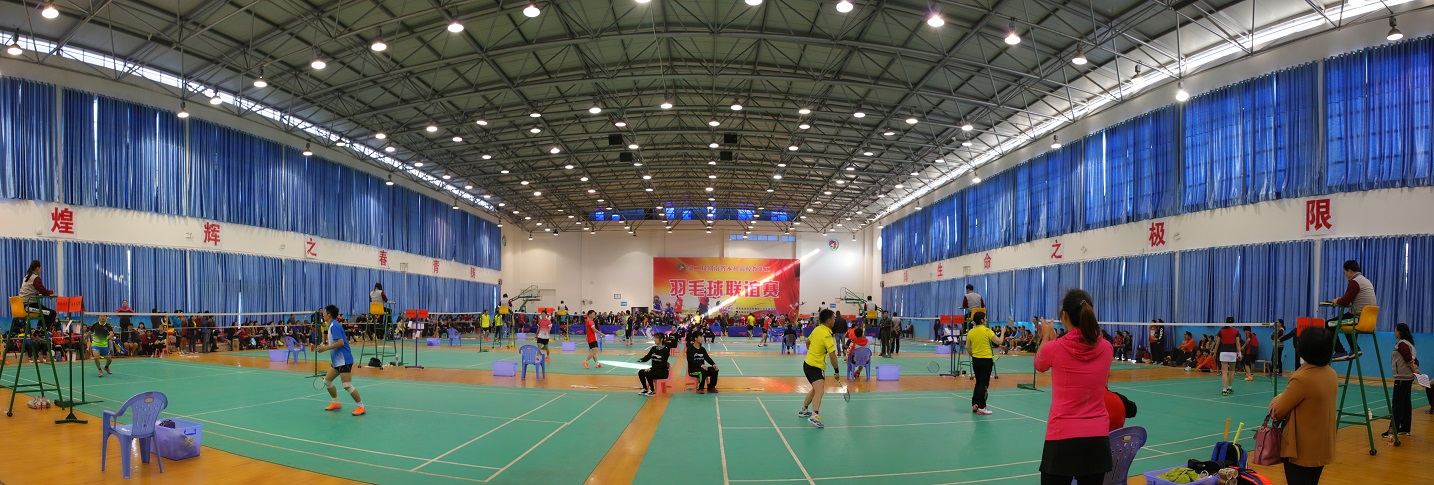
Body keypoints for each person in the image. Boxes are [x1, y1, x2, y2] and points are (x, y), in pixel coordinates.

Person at [1034, 289, 1113, 485]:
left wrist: (1046, 336)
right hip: (1097, 438)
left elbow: (1039, 364)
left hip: (1062, 437)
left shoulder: (1054, 348)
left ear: (1064, 316)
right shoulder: (1107, 348)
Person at [1269, 326, 1336, 485]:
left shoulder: (1302, 378)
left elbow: (1277, 411)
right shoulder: (1331, 373)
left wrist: (1278, 398)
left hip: (1301, 451)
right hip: (1321, 446)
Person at [314, 304, 365, 416]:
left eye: (325, 313)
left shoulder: (334, 326)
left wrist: (325, 348)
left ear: (328, 315)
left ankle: (361, 406)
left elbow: (340, 342)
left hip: (344, 359)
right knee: (327, 381)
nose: (323, 314)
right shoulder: (331, 325)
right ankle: (336, 402)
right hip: (337, 361)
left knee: (347, 385)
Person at [798, 309, 841, 428]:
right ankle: (815, 416)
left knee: (815, 389)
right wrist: (836, 371)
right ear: (829, 321)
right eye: (833, 319)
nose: (834, 321)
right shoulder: (827, 335)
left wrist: (812, 352)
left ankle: (803, 410)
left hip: (807, 364)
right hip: (816, 367)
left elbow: (807, 342)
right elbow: (832, 355)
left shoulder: (817, 329)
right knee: (820, 391)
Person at [1324, 260, 1375, 361]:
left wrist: (1337, 300)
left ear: (1350, 271)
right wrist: (1342, 299)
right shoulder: (1366, 281)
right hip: (1368, 320)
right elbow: (1350, 299)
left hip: (1357, 318)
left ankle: (1340, 351)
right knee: (1345, 321)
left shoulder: (1355, 282)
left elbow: (1344, 302)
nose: (1345, 275)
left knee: (1327, 324)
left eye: (1345, 272)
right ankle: (1355, 348)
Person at [967, 312, 1005, 415]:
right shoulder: (987, 331)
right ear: (982, 320)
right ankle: (982, 408)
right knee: (984, 384)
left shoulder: (971, 331)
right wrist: (1003, 332)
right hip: (986, 361)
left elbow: (967, 347)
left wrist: (972, 355)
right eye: (985, 318)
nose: (986, 319)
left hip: (976, 360)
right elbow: (999, 342)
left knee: (978, 382)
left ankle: (975, 404)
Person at [1385, 323, 1418, 438]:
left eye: (1395, 330)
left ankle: (1392, 431)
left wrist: (1414, 369)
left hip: (1402, 378)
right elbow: (1415, 360)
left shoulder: (1402, 343)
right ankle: (1404, 428)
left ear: (1399, 332)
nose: (1394, 332)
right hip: (1408, 377)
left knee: (1397, 405)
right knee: (1405, 403)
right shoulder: (1409, 344)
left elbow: (1408, 358)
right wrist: (1415, 369)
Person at [18, 260, 58, 328]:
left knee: (45, 313)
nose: (41, 270)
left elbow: (32, 290)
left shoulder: (26, 277)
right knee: (52, 313)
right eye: (40, 268)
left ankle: (38, 331)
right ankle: (40, 332)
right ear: (37, 268)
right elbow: (42, 290)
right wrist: (51, 293)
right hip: (30, 305)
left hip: (22, 305)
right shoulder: (35, 278)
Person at [1216, 318, 1243, 396]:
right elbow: (1238, 343)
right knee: (1231, 371)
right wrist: (1239, 354)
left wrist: (1214, 352)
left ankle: (1224, 390)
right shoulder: (1236, 331)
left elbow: (1217, 343)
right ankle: (1229, 388)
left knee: (1224, 372)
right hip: (1232, 353)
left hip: (1223, 352)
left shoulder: (1221, 331)